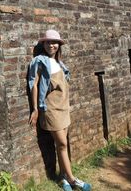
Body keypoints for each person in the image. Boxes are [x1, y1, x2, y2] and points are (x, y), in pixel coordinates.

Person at [28, 29, 91, 191]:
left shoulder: (60, 64)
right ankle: (72, 179)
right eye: (48, 42)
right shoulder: (39, 61)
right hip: (50, 109)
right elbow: (34, 84)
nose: (51, 45)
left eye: (54, 42)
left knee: (61, 144)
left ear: (59, 45)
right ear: (43, 44)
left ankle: (63, 177)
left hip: (63, 108)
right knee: (62, 143)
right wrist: (35, 109)